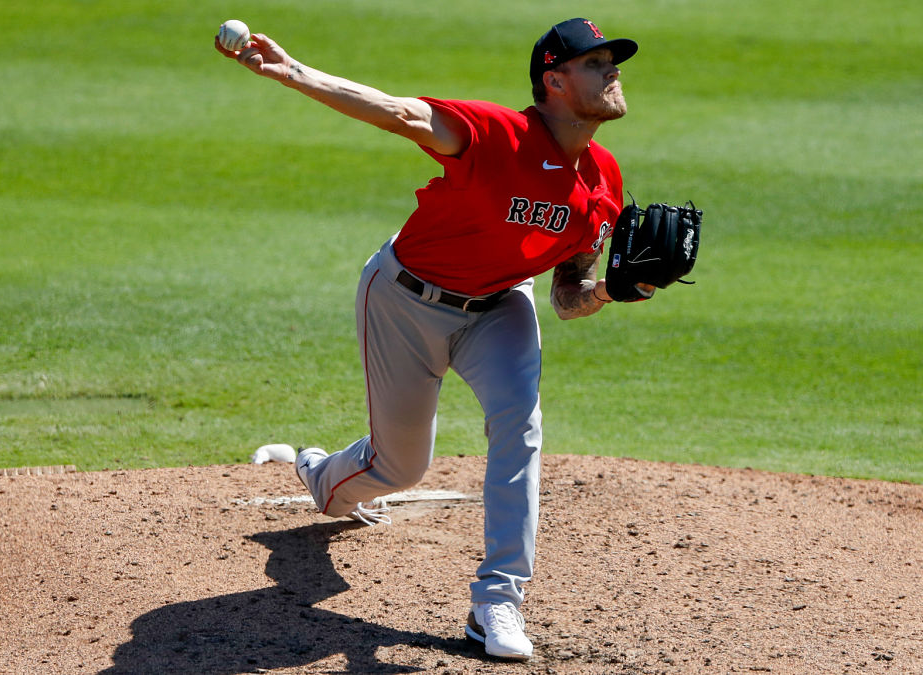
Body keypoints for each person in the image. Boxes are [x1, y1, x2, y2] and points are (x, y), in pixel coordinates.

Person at [216, 17, 649, 661]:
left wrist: (613, 289)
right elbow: (397, 113)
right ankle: (318, 473)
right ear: (553, 81)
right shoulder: (496, 133)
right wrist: (293, 71)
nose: (612, 70)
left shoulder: (604, 178)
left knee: (520, 427)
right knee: (399, 467)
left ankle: (497, 600)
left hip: (500, 306)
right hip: (403, 299)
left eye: (613, 60)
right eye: (596, 63)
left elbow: (566, 297)